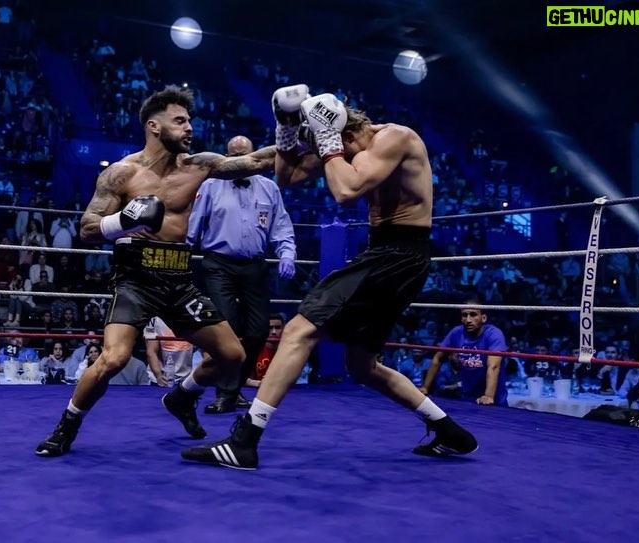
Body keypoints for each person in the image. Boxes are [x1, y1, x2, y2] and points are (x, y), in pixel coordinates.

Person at [181, 84, 477, 469]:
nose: (334, 158)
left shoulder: (396, 138)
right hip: (390, 254)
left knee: (299, 330)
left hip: (399, 252)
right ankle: (449, 430)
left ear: (348, 134)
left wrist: (327, 139)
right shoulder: (344, 145)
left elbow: (347, 190)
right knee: (362, 366)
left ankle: (246, 439)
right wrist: (286, 129)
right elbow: (287, 178)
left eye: (339, 146)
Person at [35, 85, 277, 457]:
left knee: (233, 355)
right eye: (180, 121)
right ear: (154, 126)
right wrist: (124, 222)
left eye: (189, 120)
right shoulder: (122, 174)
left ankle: (182, 397)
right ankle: (66, 426)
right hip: (135, 279)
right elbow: (86, 227)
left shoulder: (201, 165)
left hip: (179, 278)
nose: (189, 127)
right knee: (114, 358)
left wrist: (297, 133)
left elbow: (258, 162)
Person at [188, 135, 297, 414]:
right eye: (234, 156)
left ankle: (234, 389)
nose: (239, 161)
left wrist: (287, 254)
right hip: (218, 264)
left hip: (254, 266)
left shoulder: (269, 188)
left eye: (244, 155)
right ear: (226, 158)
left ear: (255, 156)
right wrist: (181, 258)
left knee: (259, 330)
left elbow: (281, 226)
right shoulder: (211, 185)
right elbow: (193, 225)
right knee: (229, 330)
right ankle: (226, 393)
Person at [419, 300, 508, 406]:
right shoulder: (456, 332)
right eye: (464, 315)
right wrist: (425, 388)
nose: (468, 320)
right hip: (467, 399)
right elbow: (438, 358)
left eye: (473, 315)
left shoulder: (494, 334)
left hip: (495, 401)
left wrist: (488, 396)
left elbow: (494, 366)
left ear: (483, 318)